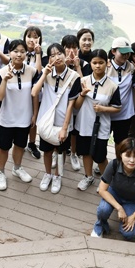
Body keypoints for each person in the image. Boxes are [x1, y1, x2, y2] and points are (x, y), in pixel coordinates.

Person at [32, 43, 80, 193]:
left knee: (61, 151)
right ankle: (47, 174)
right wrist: (44, 74)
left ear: (65, 55)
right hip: (47, 120)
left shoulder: (74, 77)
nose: (56, 57)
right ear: (49, 58)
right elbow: (34, 92)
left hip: (62, 121)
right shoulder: (47, 74)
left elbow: (72, 104)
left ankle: (58, 176)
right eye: (52, 55)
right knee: (46, 151)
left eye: (59, 53)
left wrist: (65, 128)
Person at [74, 49, 121, 191]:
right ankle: (88, 176)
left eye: (101, 62)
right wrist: (82, 94)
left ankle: (107, 181)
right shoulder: (83, 81)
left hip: (102, 126)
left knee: (100, 156)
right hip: (83, 124)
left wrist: (103, 109)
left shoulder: (112, 86)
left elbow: (117, 108)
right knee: (86, 152)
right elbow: (76, 105)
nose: (98, 66)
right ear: (90, 63)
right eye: (94, 63)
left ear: (107, 63)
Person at [0, 39, 39, 190]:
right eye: (15, 51)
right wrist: (5, 80)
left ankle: (17, 168)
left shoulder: (31, 71)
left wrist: (34, 114)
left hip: (24, 117)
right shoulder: (1, 72)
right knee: (4, 147)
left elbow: (34, 95)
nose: (19, 54)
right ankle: (1, 172)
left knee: (20, 145)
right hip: (7, 118)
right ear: (9, 53)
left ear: (26, 53)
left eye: (22, 51)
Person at [91, 138, 135, 239]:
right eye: (128, 155)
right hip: (115, 193)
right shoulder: (114, 164)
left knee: (129, 234)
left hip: (134, 200)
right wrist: (119, 208)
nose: (132, 160)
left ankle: (132, 214)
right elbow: (102, 189)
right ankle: (100, 225)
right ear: (120, 154)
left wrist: (134, 216)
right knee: (103, 210)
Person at [107, 37, 135, 153]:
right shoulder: (106, 67)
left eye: (128, 53)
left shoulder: (132, 68)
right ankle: (102, 164)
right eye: (122, 53)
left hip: (124, 115)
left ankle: (119, 164)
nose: (126, 55)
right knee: (102, 139)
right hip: (106, 112)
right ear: (113, 51)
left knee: (121, 142)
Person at [62, 34, 93, 172]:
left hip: (78, 103)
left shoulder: (85, 65)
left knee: (74, 131)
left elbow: (84, 85)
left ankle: (73, 154)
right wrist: (66, 65)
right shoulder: (59, 63)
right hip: (62, 103)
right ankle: (60, 154)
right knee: (61, 127)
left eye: (74, 47)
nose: (71, 51)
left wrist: (77, 67)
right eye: (68, 48)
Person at [22, 26, 43, 159]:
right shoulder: (19, 51)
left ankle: (31, 143)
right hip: (21, 91)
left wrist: (38, 53)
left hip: (36, 92)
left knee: (33, 118)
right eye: (29, 36)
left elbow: (39, 72)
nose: (32, 39)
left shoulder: (42, 54)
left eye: (35, 37)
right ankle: (20, 142)